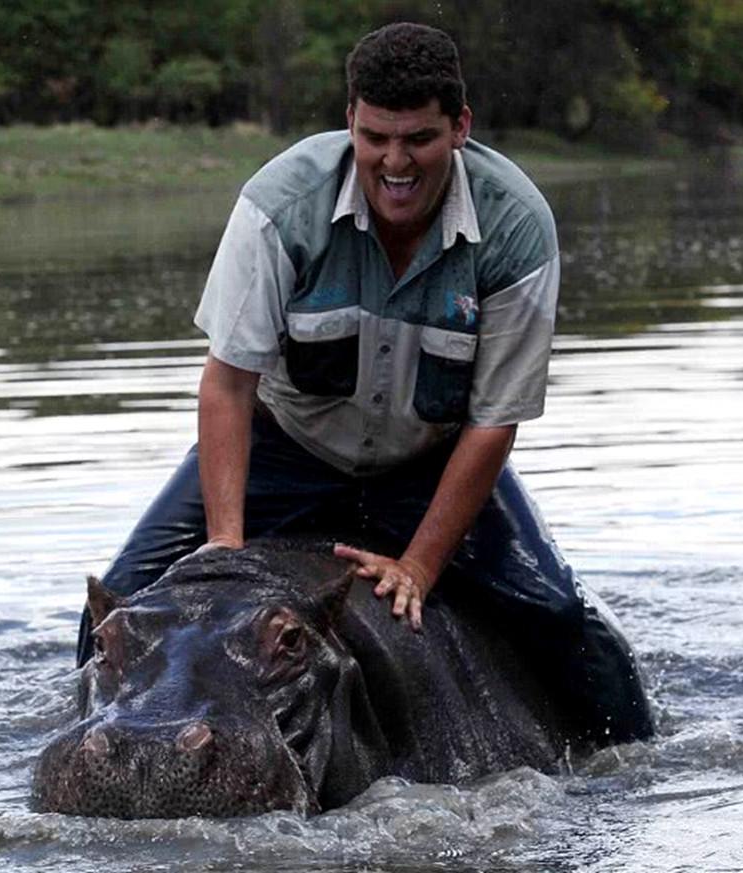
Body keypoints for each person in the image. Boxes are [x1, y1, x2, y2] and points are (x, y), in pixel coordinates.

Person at [76, 22, 653, 749]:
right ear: (350, 120)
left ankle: (633, 765)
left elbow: (493, 422)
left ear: (460, 129)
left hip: (430, 459)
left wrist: (418, 564)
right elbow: (227, 385)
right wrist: (225, 545)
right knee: (113, 607)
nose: (396, 161)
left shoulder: (517, 226)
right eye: (376, 136)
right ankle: (93, 743)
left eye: (419, 138)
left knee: (562, 617)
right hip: (285, 449)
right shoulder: (279, 205)